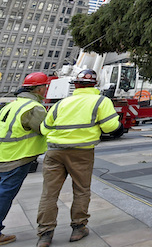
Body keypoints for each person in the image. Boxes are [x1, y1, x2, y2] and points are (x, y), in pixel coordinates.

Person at [36, 69, 121, 247]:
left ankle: (45, 234)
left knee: (49, 194)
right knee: (81, 190)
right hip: (81, 153)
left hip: (54, 152)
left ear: (75, 84)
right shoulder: (100, 101)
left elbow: (44, 129)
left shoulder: (61, 103)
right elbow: (111, 127)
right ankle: (78, 228)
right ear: (95, 85)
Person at [0, 73, 49, 245]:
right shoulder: (34, 108)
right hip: (16, 157)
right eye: (45, 86)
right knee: (5, 194)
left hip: (3, 154)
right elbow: (44, 129)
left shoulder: (11, 105)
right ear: (39, 89)